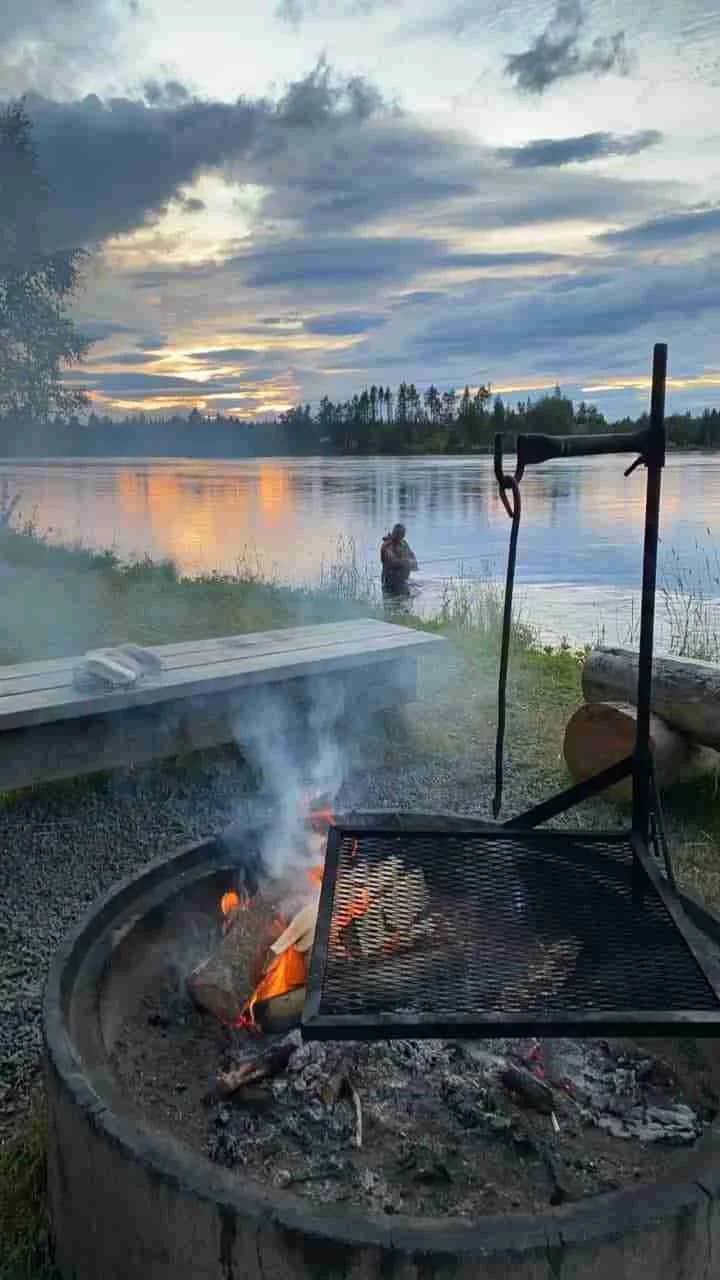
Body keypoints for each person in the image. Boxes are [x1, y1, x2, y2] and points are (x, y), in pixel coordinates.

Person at [380, 523, 418, 597]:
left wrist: (413, 563)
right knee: (392, 605)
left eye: (402, 534)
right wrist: (407, 562)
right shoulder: (387, 545)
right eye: (399, 534)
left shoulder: (404, 543)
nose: (401, 536)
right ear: (394, 533)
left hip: (403, 581)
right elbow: (392, 561)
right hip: (389, 583)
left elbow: (412, 556)